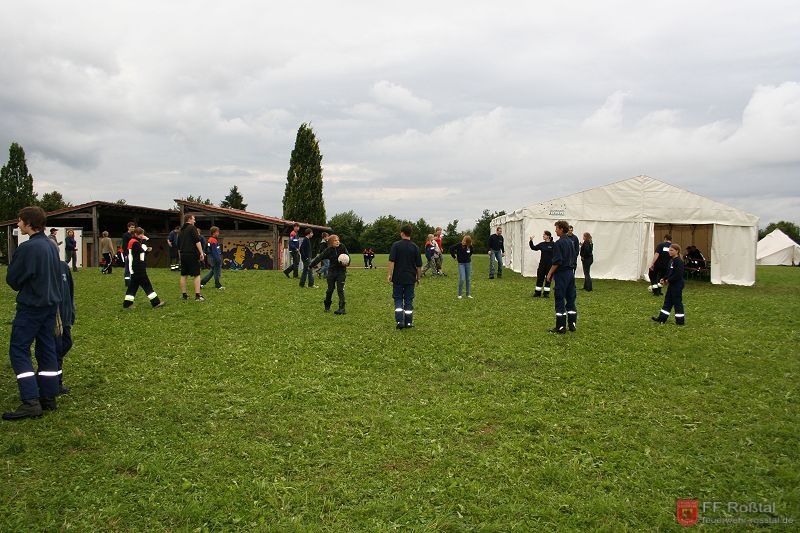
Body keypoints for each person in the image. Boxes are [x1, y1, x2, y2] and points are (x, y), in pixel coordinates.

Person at [3, 206, 63, 420]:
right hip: (50, 305)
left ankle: (30, 400)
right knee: (46, 349)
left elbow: (13, 279)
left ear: (28, 222)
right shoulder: (50, 245)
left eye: (19, 221)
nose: (18, 225)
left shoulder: (28, 248)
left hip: (31, 307)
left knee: (19, 350)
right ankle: (48, 396)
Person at [545, 220, 578, 334]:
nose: (555, 230)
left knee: (559, 299)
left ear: (561, 229)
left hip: (562, 274)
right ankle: (572, 324)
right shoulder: (571, 242)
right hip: (570, 273)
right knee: (570, 299)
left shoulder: (559, 243)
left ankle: (560, 327)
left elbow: (557, 261)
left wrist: (549, 274)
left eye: (557, 228)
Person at [388, 225, 422, 329]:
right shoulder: (415, 247)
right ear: (410, 234)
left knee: (398, 298)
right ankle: (408, 322)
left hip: (398, 277)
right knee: (408, 300)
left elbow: (391, 261)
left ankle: (399, 322)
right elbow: (419, 265)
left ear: (402, 233)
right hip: (410, 278)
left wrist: (389, 274)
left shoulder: (396, 245)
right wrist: (418, 277)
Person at [123, 227, 165, 309]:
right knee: (147, 285)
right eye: (141, 234)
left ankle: (127, 304)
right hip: (138, 268)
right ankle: (156, 302)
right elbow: (142, 250)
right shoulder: (134, 242)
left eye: (143, 234)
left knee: (132, 287)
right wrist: (145, 241)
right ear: (136, 234)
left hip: (136, 267)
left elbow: (141, 253)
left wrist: (146, 250)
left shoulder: (135, 242)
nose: (142, 236)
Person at [307, 234, 349, 314]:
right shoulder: (328, 250)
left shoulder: (342, 247)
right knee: (330, 290)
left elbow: (347, 257)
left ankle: (342, 308)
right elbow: (319, 257)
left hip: (341, 272)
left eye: (338, 240)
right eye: (335, 240)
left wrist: (347, 263)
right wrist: (311, 266)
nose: (337, 242)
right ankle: (327, 306)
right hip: (332, 272)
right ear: (330, 242)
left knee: (340, 290)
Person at [652, 243, 685, 325]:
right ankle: (661, 318)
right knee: (667, 302)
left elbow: (678, 274)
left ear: (677, 251)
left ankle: (680, 321)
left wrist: (669, 280)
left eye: (671, 250)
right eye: (669, 250)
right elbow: (669, 272)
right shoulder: (671, 261)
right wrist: (664, 278)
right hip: (672, 285)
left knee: (677, 302)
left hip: (677, 285)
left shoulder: (679, 261)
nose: (669, 252)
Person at [55, 261, 75, 395]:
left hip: (65, 315)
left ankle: (51, 376)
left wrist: (72, 310)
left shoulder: (63, 267)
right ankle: (56, 383)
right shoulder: (45, 267)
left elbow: (70, 290)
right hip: (54, 318)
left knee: (66, 343)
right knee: (55, 349)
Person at [178, 214, 206, 301]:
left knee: (183, 275)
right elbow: (197, 241)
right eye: (194, 219)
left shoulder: (181, 230)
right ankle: (198, 296)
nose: (195, 221)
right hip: (192, 254)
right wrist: (201, 253)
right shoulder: (192, 228)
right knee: (197, 275)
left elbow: (178, 244)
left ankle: (184, 295)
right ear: (189, 219)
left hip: (183, 255)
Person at [529, 230, 554, 297]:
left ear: (548, 236)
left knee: (548, 279)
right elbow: (533, 247)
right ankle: (537, 292)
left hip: (550, 265)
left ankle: (546, 293)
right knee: (540, 278)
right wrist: (531, 241)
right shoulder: (542, 244)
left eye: (544, 235)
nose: (543, 236)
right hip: (542, 264)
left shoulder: (553, 244)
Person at [200, 226, 225, 290]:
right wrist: (218, 259)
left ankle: (202, 283)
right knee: (217, 272)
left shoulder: (210, 239)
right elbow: (214, 251)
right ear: (214, 233)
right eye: (217, 232)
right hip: (215, 259)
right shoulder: (213, 240)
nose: (218, 233)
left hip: (211, 258)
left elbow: (207, 249)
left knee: (212, 272)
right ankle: (218, 285)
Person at [450, 235, 474, 299]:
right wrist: (454, 257)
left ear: (468, 242)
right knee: (462, 278)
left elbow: (471, 252)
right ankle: (459, 294)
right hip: (461, 264)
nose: (463, 242)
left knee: (468, 279)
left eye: (465, 241)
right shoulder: (458, 245)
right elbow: (451, 248)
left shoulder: (470, 246)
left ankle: (468, 294)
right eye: (463, 240)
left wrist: (468, 257)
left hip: (468, 263)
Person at [121, 221, 135, 287]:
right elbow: (124, 246)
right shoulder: (125, 235)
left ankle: (133, 282)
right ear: (128, 228)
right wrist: (126, 255)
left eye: (134, 227)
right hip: (128, 254)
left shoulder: (134, 235)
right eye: (131, 227)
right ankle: (127, 283)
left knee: (133, 268)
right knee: (127, 269)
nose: (133, 228)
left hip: (134, 254)